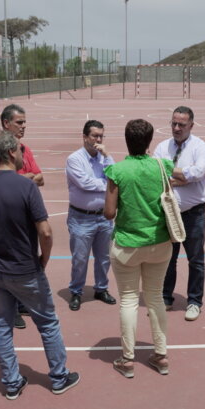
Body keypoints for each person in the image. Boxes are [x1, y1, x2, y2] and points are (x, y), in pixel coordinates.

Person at [0, 130, 80, 400]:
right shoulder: (26, 187)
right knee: (47, 323)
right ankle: (58, 376)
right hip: (25, 268)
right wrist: (44, 257)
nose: (23, 155)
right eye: (20, 151)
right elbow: (45, 231)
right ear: (10, 152)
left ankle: (11, 381)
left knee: (2, 326)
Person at [104, 119, 174, 378]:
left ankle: (128, 359)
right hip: (159, 242)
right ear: (149, 141)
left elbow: (109, 212)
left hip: (127, 244)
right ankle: (161, 355)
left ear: (126, 140)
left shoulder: (117, 171)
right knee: (155, 298)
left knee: (129, 300)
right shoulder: (162, 166)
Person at [0, 103, 43, 329]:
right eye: (19, 122)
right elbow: (9, 182)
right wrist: (28, 178)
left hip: (26, 214)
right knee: (7, 260)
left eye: (24, 122)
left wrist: (25, 177)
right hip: (5, 215)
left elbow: (40, 177)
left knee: (26, 257)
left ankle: (20, 304)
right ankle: (10, 308)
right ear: (6, 123)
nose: (23, 126)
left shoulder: (25, 149)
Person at [153, 106, 205, 322]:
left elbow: (198, 172)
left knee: (195, 259)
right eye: (174, 123)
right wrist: (182, 177)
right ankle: (166, 298)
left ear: (191, 126)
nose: (176, 128)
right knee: (168, 258)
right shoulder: (162, 146)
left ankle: (194, 301)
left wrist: (170, 172)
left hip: (194, 214)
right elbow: (155, 173)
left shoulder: (200, 147)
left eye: (181, 125)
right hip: (168, 212)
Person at [65, 120, 117, 311]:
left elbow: (116, 175)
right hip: (81, 218)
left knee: (104, 257)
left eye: (101, 136)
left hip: (104, 216)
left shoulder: (104, 158)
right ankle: (76, 291)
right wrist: (107, 185)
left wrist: (108, 155)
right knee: (80, 259)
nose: (98, 139)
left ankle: (101, 288)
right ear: (85, 137)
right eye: (94, 135)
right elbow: (85, 183)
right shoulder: (74, 159)